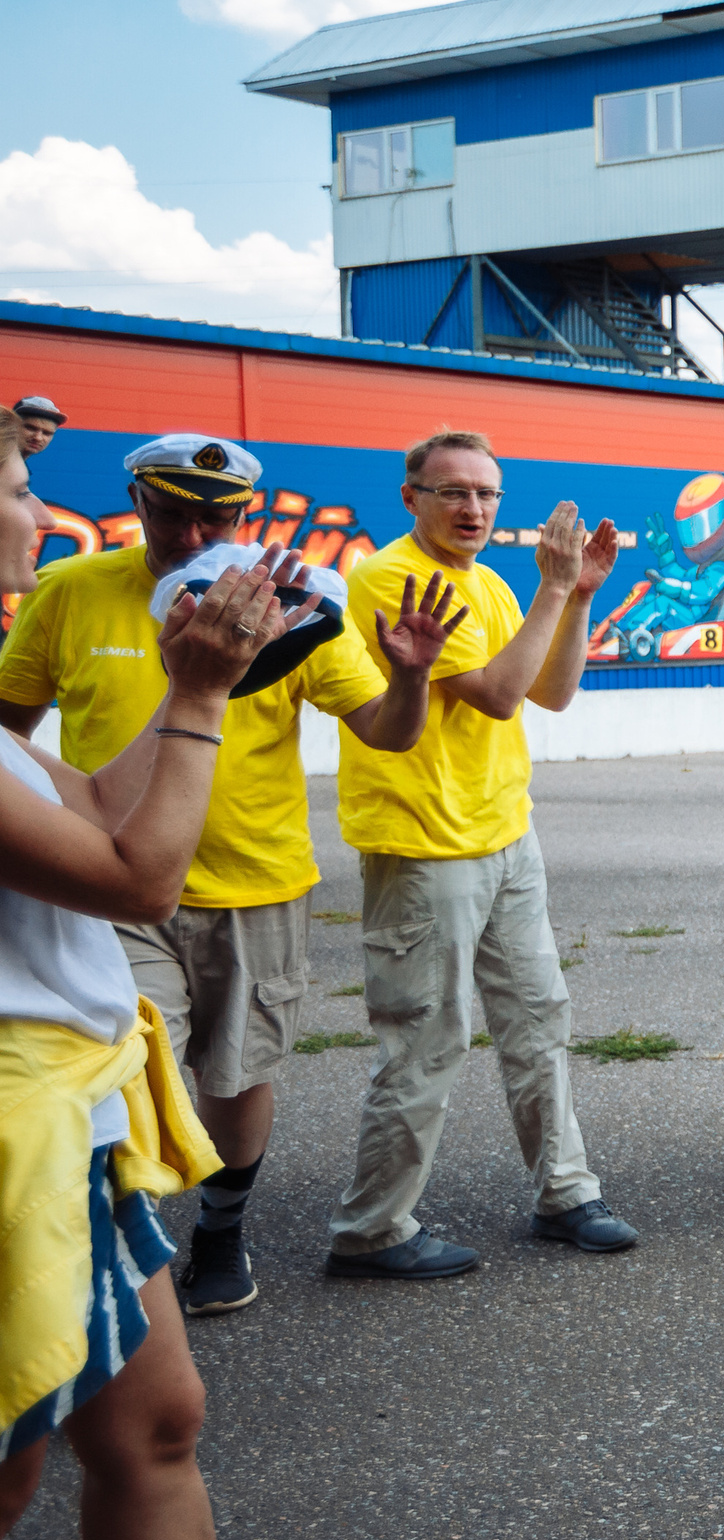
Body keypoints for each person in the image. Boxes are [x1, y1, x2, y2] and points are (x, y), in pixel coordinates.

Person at [0, 414, 403, 1540]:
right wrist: (194, 695)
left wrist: (208, 681)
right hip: (24, 1114)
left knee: (156, 1417)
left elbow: (86, 799)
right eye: (15, 485)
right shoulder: (69, 598)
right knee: (15, 1459)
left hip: (66, 1111)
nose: (32, 507)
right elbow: (136, 872)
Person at [0, 434, 460, 1317]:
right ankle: (110, 1251)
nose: (193, 531)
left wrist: (412, 679)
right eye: (173, 510)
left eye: (217, 514)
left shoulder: (286, 601)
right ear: (137, 500)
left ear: (243, 515)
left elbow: (390, 731)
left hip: (256, 879)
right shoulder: (68, 592)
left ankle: (222, 1229)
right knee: (123, 1067)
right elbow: (12, 736)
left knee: (237, 1075)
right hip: (113, 883)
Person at [323, 429, 637, 1279]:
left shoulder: (492, 582)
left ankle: (565, 1192)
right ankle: (372, 1228)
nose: (473, 508)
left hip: (504, 835)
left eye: (487, 494)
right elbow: (498, 697)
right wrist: (554, 586)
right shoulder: (393, 578)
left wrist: (573, 602)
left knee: (539, 1018)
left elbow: (553, 693)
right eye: (452, 491)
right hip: (424, 846)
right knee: (426, 1036)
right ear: (410, 497)